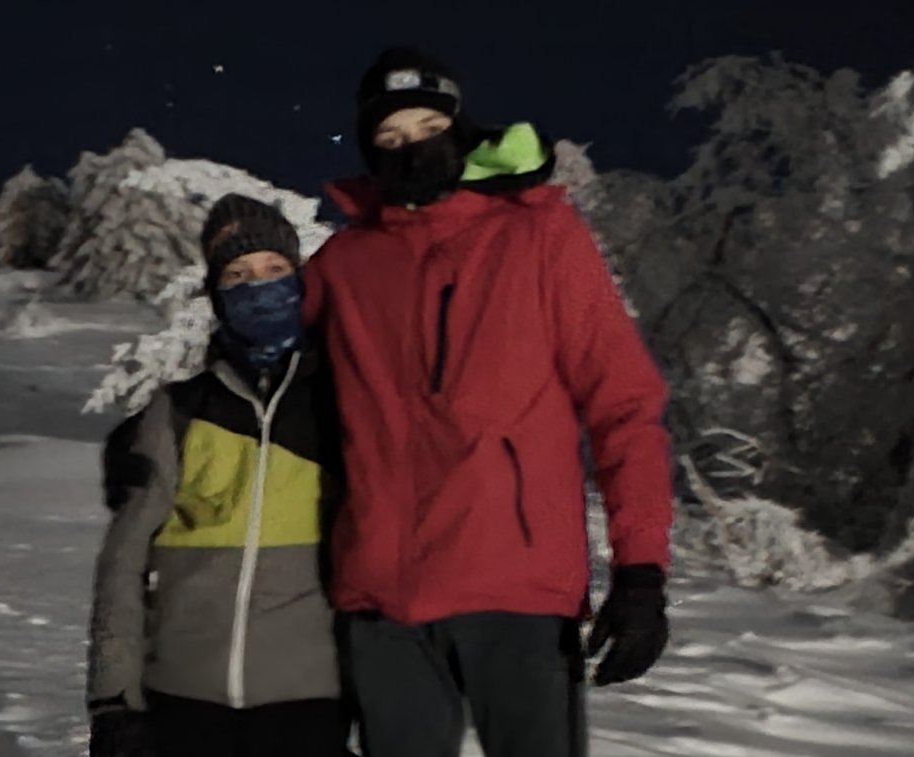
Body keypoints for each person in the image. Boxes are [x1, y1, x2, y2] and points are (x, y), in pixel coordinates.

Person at [301, 47, 675, 757]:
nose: (411, 148)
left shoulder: (539, 237)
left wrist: (642, 570)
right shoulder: (345, 265)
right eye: (390, 137)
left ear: (462, 130)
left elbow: (624, 405)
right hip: (381, 599)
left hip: (516, 588)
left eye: (428, 127)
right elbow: (270, 378)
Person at [86, 194, 350, 757]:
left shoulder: (340, 406)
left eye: (275, 270)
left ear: (301, 281)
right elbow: (123, 564)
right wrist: (113, 697)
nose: (260, 288)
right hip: (182, 703)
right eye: (238, 275)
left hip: (309, 704)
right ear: (216, 294)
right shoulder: (177, 411)